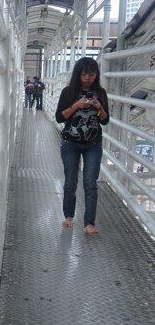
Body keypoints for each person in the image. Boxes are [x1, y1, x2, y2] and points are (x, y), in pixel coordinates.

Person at [56, 57, 109, 235]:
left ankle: (89, 223)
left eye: (92, 74)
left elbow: (105, 120)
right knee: (70, 181)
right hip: (70, 143)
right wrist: (76, 105)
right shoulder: (68, 92)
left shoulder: (100, 92)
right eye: (84, 73)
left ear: (96, 75)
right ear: (78, 73)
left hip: (93, 144)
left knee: (90, 183)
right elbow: (59, 117)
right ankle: (69, 216)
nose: (88, 77)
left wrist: (99, 107)